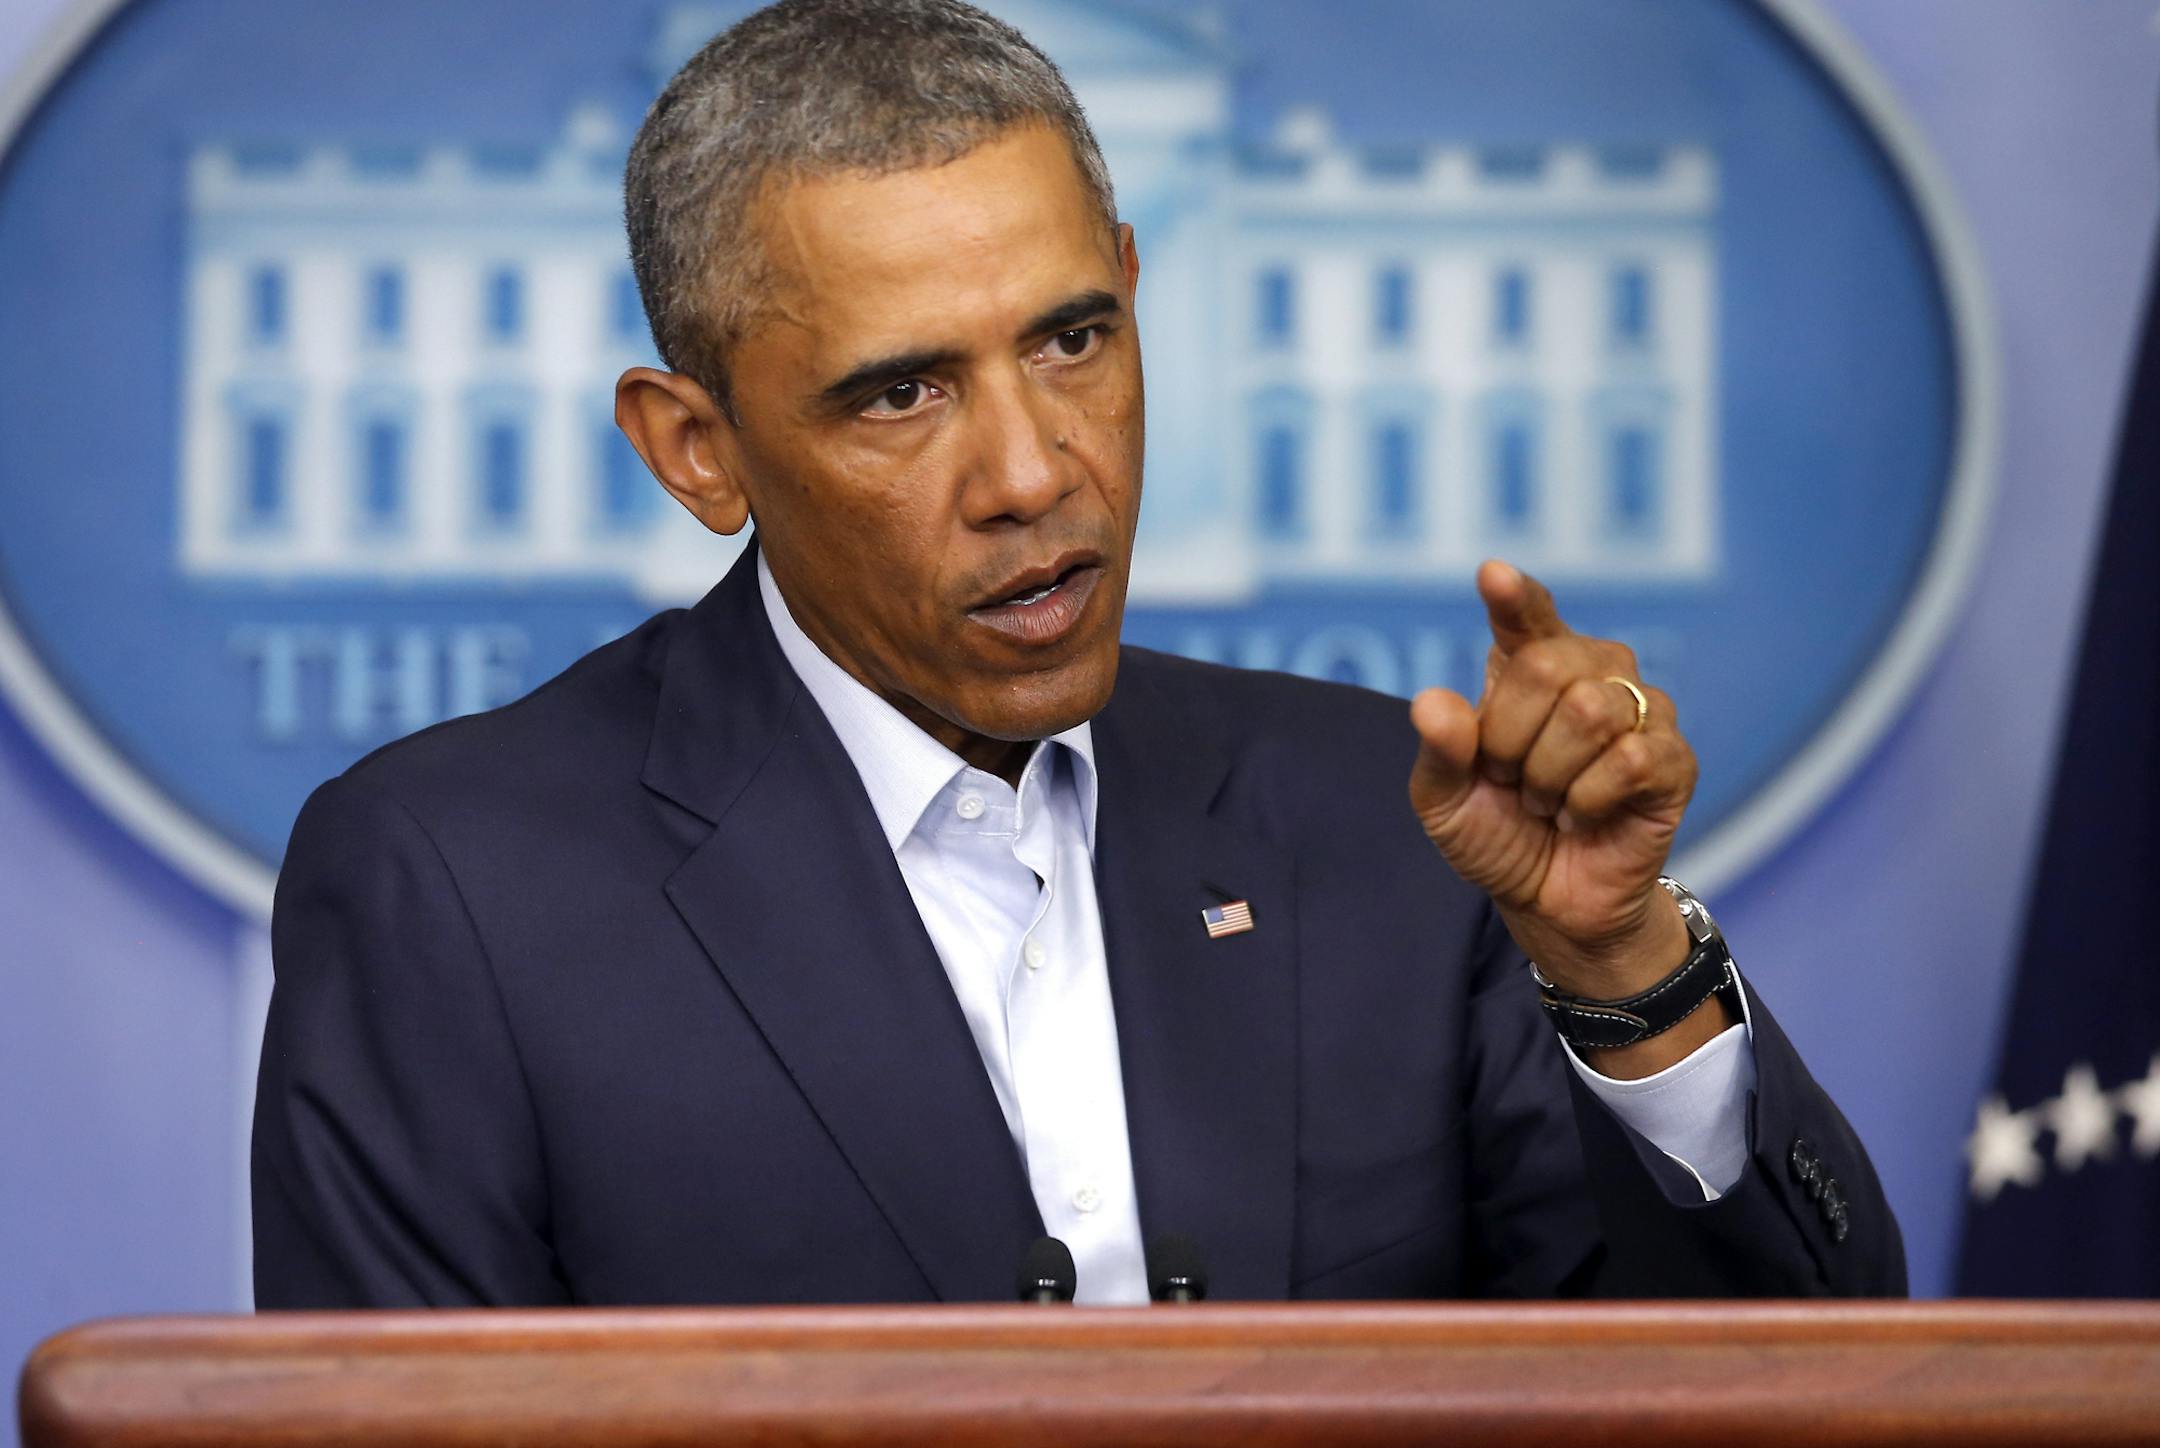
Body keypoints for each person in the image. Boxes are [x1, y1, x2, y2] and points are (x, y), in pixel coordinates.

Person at [251, 0, 1902, 1307]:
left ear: (1132, 291)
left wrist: (1622, 973)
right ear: (698, 448)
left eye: (1070, 339)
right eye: (902, 391)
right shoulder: (455, 886)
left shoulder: (1391, 819)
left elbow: (1780, 1427)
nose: (1035, 471)